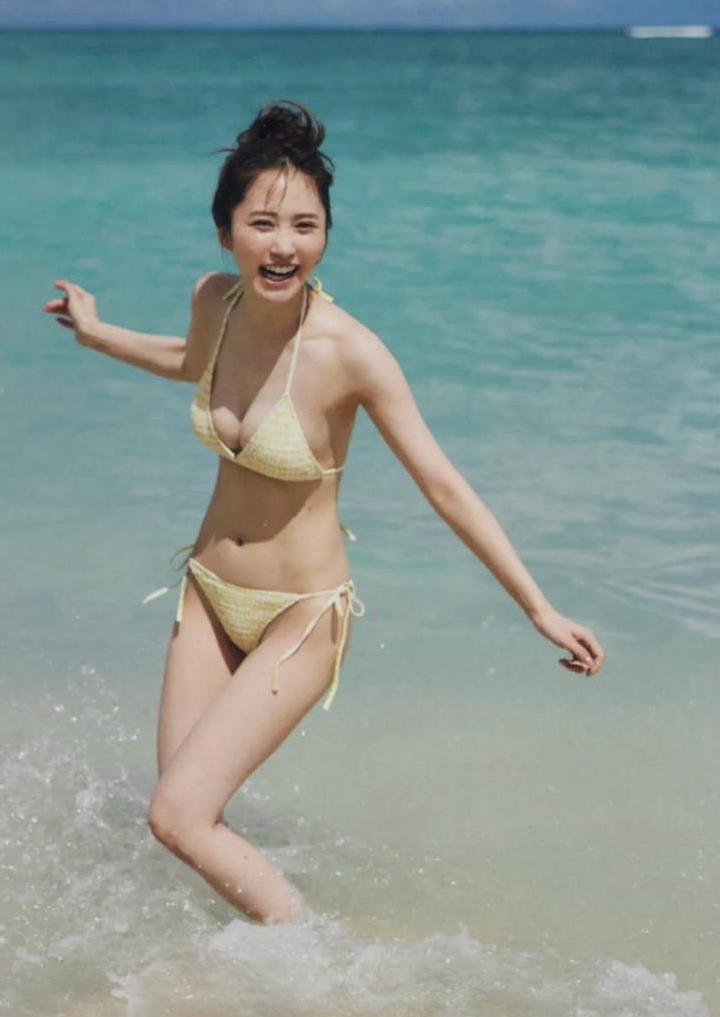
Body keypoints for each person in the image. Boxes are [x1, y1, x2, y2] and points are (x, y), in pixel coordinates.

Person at [43, 100, 605, 928]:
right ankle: (221, 981)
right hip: (208, 595)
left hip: (299, 619)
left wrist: (539, 607)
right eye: (262, 224)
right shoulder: (215, 301)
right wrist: (97, 335)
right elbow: (191, 362)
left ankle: (324, 963)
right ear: (225, 233)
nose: (284, 245)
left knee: (176, 816)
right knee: (185, 818)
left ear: (326, 234)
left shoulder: (350, 353)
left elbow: (442, 484)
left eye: (305, 226)